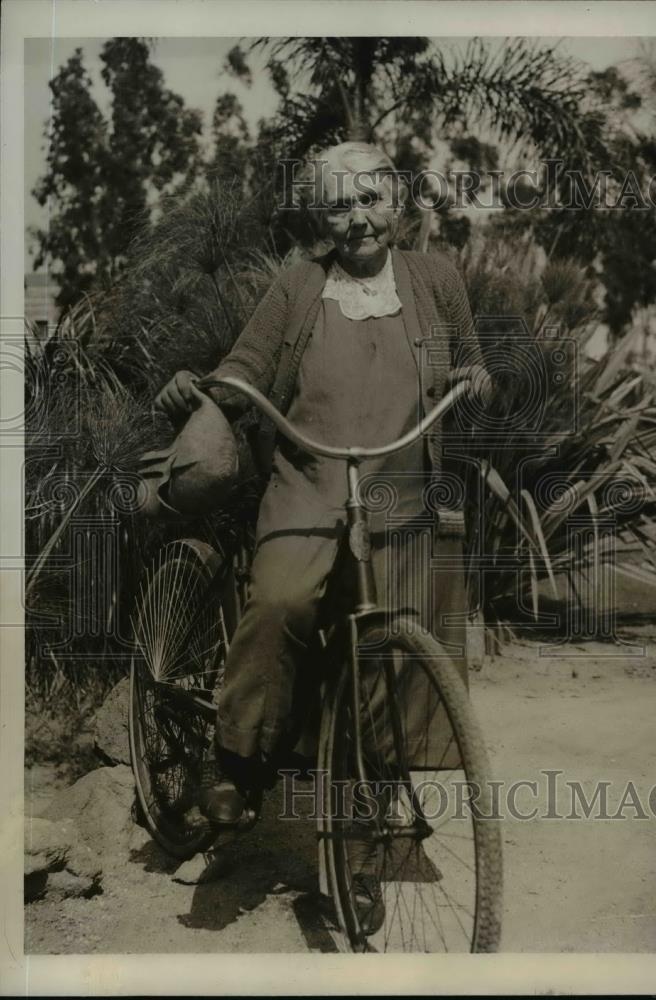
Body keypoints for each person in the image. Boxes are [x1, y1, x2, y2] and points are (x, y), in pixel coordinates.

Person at [156, 142, 492, 925]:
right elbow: (242, 372)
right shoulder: (299, 285)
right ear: (319, 216)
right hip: (307, 487)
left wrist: (477, 380)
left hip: (398, 494)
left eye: (371, 198)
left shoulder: (435, 280)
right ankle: (237, 766)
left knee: (390, 668)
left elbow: (473, 364)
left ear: (398, 201)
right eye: (339, 205)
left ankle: (359, 853)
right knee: (280, 603)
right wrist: (200, 397)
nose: (358, 217)